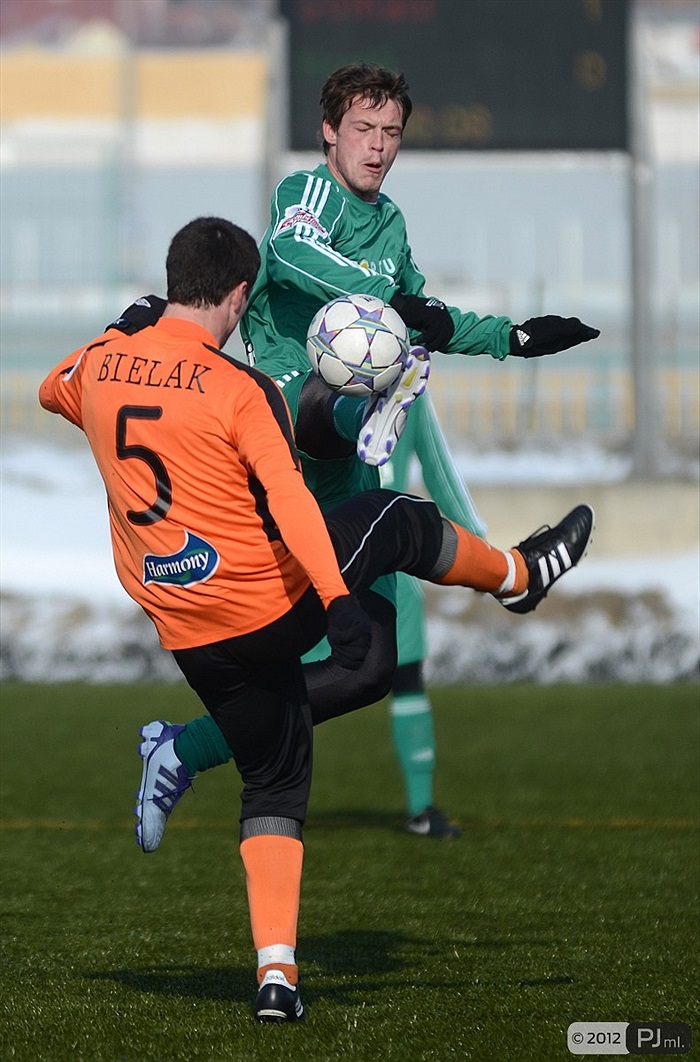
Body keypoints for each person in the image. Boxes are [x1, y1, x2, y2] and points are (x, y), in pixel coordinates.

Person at [39, 216, 594, 1023]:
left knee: (280, 770)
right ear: (237, 295)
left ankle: (276, 978)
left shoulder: (94, 370)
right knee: (396, 516)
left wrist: (123, 327)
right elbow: (295, 504)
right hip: (266, 604)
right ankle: (517, 576)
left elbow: (50, 383)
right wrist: (336, 604)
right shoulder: (240, 388)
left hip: (184, 626)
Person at [113, 63, 601, 800]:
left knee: (368, 669)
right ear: (330, 133)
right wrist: (393, 306)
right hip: (280, 421)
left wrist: (515, 338)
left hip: (342, 478)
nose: (377, 147)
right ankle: (379, 418)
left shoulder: (393, 224)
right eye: (364, 130)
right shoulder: (305, 195)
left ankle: (183, 750)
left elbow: (423, 310)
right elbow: (291, 253)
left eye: (392, 133)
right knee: (331, 399)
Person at [379, 393, 488, 839]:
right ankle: (421, 810)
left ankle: (421, 807)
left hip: (326, 561)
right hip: (378, 558)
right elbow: (440, 472)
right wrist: (483, 554)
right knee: (289, 692)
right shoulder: (405, 382)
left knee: (291, 690)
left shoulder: (298, 375)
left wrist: (480, 554)